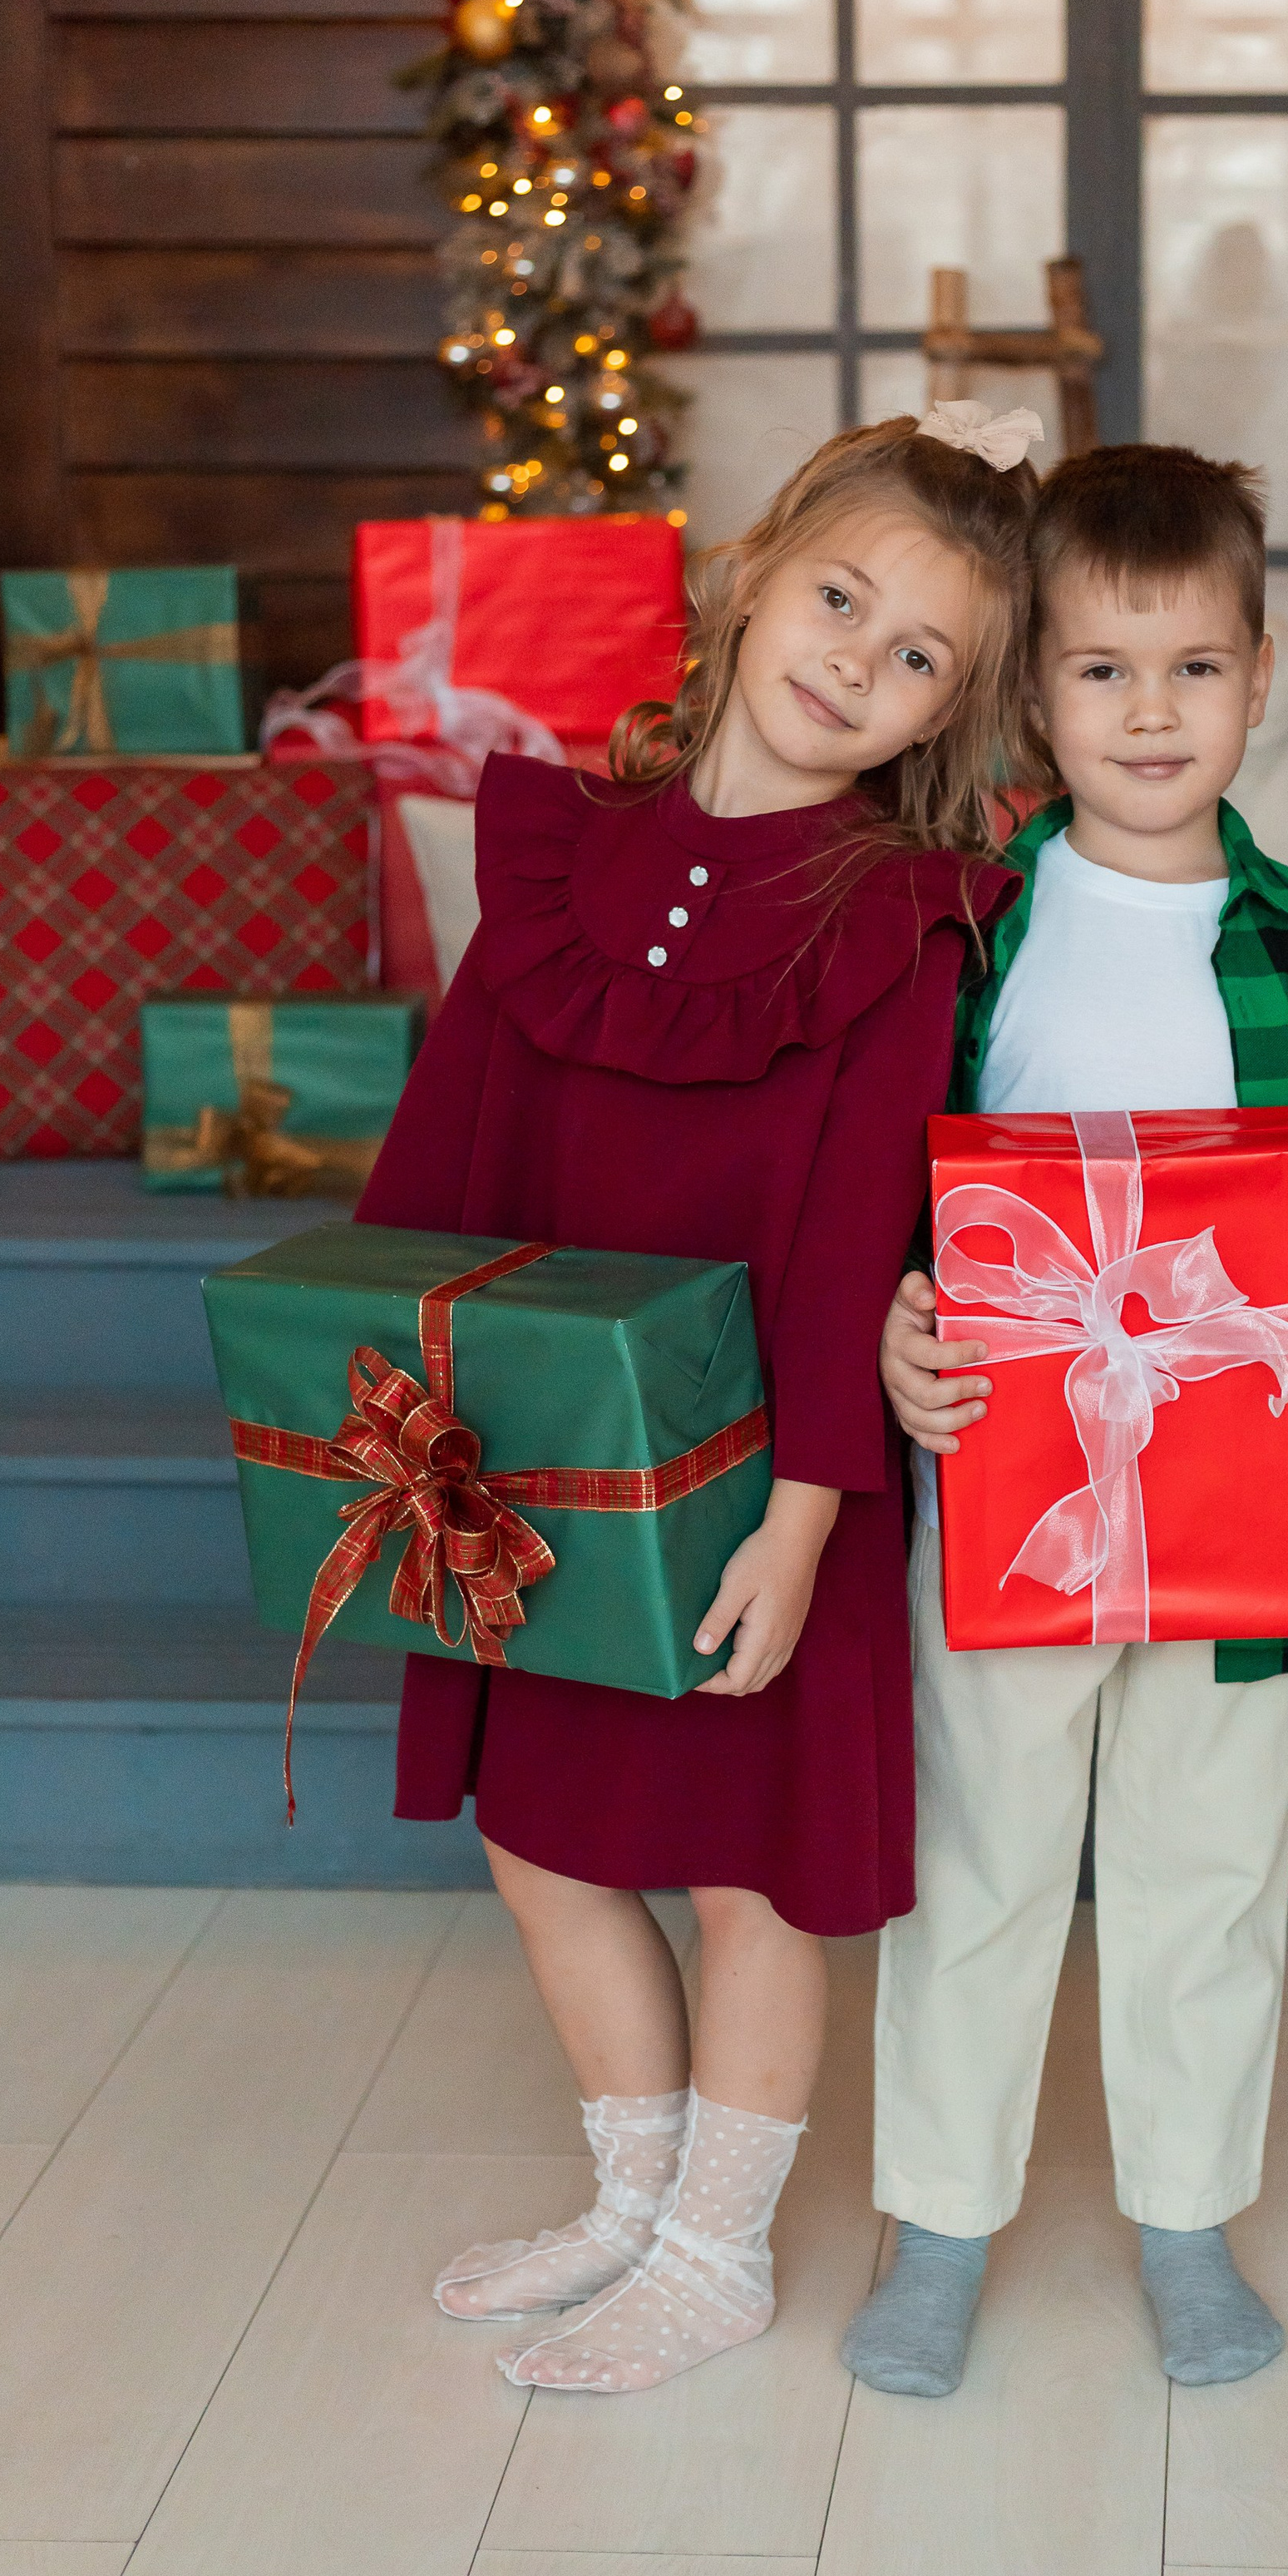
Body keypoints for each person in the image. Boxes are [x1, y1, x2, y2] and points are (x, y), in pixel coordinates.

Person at [354, 405, 1042, 2396]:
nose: (852, 660)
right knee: (542, 1841)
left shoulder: (895, 917)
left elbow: (849, 1238)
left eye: (913, 654)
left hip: (761, 1480)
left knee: (748, 1874)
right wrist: (378, 1389)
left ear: (943, 711)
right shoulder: (564, 857)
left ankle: (718, 2252)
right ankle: (631, 2195)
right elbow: (449, 1150)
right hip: (531, 1453)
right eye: (837, 599)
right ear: (749, 580)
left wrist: (808, 1516)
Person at [842, 443, 1288, 2400]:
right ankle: (939, 2221)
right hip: (1005, 1475)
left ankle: (1185, 2217)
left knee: (1206, 1862)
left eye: (1192, 668)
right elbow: (875, 1205)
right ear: (1032, 691)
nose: (1148, 713)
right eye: (1102, 671)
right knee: (981, 1849)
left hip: (1251, 1501)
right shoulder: (963, 928)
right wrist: (892, 1331)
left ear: (1256, 680)